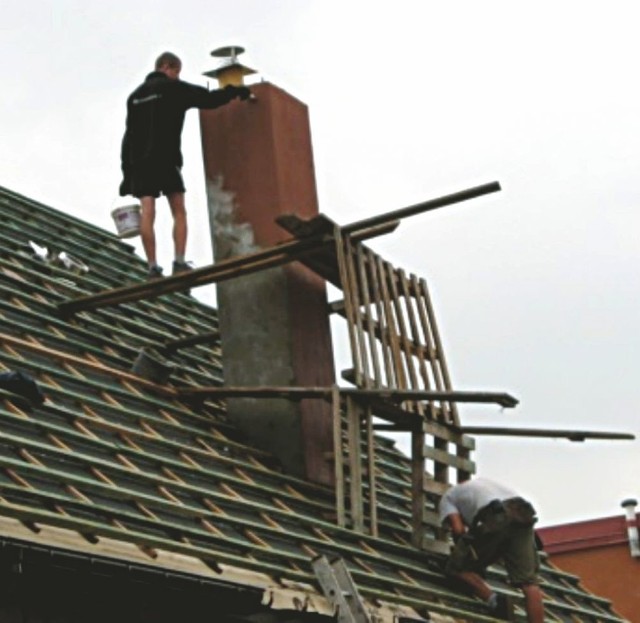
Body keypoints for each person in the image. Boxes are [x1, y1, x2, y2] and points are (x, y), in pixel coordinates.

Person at [119, 51, 251, 278]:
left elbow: (128, 137)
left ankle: (152, 267)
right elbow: (207, 99)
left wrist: (126, 174)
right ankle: (179, 262)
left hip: (140, 164)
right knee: (179, 212)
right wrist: (235, 91)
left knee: (147, 212)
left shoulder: (134, 97)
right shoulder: (174, 88)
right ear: (169, 67)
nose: (178, 77)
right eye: (177, 72)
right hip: (166, 159)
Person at [438, 477, 545, 622]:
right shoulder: (480, 483)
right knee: (529, 583)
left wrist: (462, 554)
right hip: (523, 512)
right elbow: (497, 544)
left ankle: (494, 601)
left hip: (496, 514)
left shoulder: (447, 497)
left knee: (455, 568)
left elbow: (458, 530)